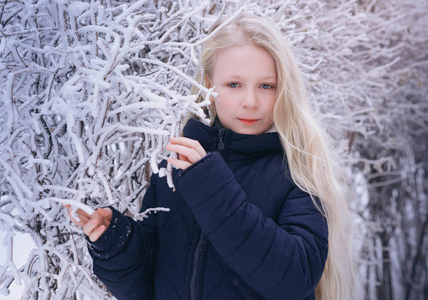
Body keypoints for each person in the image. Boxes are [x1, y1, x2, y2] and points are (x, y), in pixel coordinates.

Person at [66, 13, 356, 300]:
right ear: (209, 85)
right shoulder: (176, 164)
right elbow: (149, 287)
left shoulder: (297, 170)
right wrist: (118, 244)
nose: (251, 102)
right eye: (234, 85)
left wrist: (212, 189)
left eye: (266, 86)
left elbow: (295, 278)